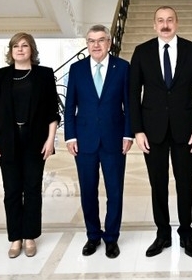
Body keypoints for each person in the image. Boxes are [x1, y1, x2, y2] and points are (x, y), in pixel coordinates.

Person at [129, 6, 192, 258]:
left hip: (186, 131)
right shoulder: (141, 52)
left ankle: (186, 234)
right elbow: (133, 94)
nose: (165, 25)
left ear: (177, 22)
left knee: (185, 183)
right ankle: (162, 234)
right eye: (161, 21)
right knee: (158, 184)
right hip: (152, 131)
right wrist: (137, 130)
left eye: (170, 20)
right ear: (154, 25)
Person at [0, 32, 60, 258]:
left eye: (24, 45)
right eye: (15, 46)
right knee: (12, 191)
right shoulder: (0, 76)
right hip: (6, 141)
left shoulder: (44, 75)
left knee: (33, 189)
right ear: (10, 51)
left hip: (36, 141)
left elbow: (53, 113)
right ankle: (15, 238)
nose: (20, 49)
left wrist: (50, 140)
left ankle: (30, 236)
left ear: (32, 50)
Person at [64, 24, 133, 259]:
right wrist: (70, 136)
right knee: (88, 191)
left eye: (101, 40)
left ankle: (111, 237)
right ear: (87, 44)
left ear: (109, 42)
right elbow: (69, 105)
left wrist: (128, 134)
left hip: (115, 140)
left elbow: (129, 105)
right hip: (84, 141)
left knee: (115, 191)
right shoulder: (77, 69)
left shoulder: (122, 67)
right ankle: (93, 235)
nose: (96, 45)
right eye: (91, 41)